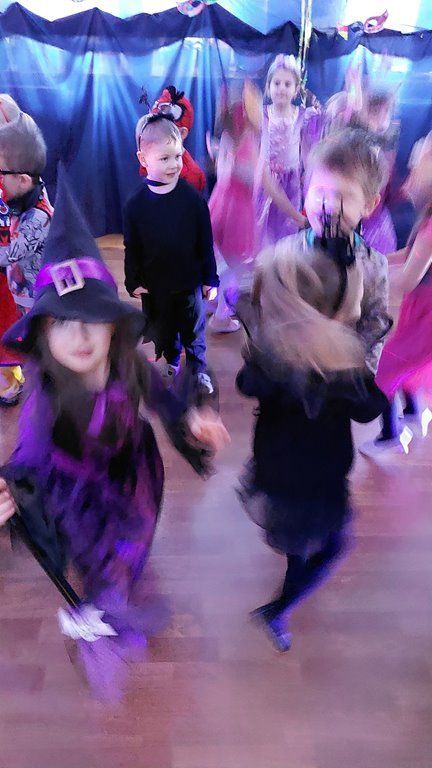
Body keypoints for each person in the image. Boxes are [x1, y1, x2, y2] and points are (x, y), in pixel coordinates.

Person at [0, 169, 229, 699]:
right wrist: (9, 492)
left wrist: (191, 420)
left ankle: (124, 581)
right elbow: (27, 460)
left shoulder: (128, 364)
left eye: (92, 319)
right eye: (62, 322)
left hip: (135, 472)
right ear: (42, 334)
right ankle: (107, 610)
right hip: (82, 501)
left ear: (113, 325)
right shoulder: (45, 404)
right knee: (104, 569)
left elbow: (164, 398)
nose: (80, 335)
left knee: (138, 540)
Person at [236, 240, 388, 651]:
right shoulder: (343, 358)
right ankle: (279, 610)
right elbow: (370, 410)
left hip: (277, 471)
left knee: (296, 545)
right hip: (320, 479)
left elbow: (246, 384)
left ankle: (281, 605)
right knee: (334, 545)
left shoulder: (270, 349)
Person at [124, 114, 218, 394]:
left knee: (194, 331)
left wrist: (210, 278)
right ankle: (171, 362)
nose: (174, 164)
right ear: (143, 159)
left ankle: (198, 369)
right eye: (164, 158)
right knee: (164, 331)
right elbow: (132, 246)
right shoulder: (135, 205)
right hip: (155, 287)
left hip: (189, 284)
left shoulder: (193, 200)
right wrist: (132, 279)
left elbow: (205, 242)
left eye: (177, 156)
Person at [285, 127, 392, 374]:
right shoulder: (287, 253)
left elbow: (374, 325)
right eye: (320, 193)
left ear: (369, 204)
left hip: (343, 372)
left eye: (344, 196)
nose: (330, 207)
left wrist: (361, 374)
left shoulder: (374, 265)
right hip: (294, 368)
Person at [361, 131, 432, 455]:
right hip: (419, 311)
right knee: (405, 364)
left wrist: (369, 277)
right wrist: (377, 259)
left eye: (414, 172)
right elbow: (409, 255)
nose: (408, 179)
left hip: (426, 317)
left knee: (387, 368)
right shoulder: (427, 219)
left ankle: (391, 434)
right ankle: (414, 413)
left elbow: (407, 279)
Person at [0, 110, 53, 405]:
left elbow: (9, 254)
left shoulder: (39, 217)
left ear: (21, 179)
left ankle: (48, 388)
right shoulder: (23, 190)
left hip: (35, 298)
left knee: (40, 346)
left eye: (0, 174)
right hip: (21, 294)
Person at [256, 54, 319, 245]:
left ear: (296, 90)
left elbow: (307, 149)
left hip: (290, 181)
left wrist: (310, 175)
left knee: (286, 228)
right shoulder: (262, 114)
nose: (281, 88)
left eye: (287, 84)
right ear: (268, 87)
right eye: (276, 83)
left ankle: (284, 258)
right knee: (262, 227)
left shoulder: (302, 116)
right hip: (265, 179)